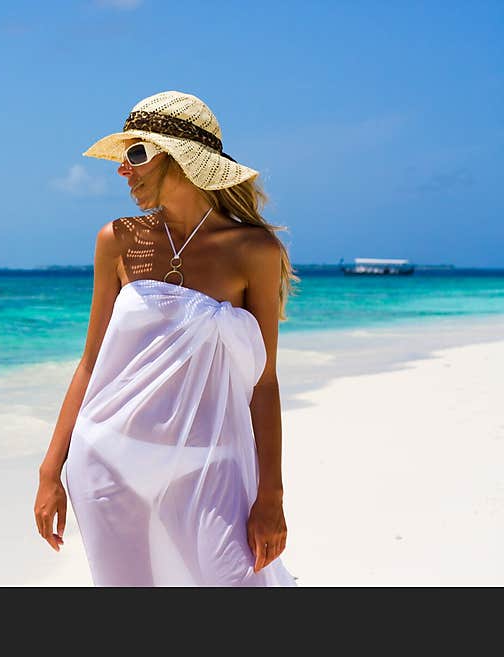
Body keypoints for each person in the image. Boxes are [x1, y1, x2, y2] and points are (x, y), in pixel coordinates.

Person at [34, 90, 300, 586]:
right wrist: (51, 468)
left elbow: (264, 383)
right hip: (110, 460)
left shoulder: (254, 250)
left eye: (136, 154)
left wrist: (271, 497)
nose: (122, 170)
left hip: (208, 465)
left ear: (179, 157)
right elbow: (91, 363)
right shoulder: (116, 240)